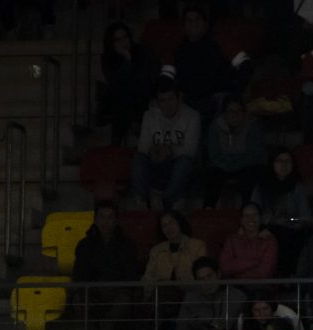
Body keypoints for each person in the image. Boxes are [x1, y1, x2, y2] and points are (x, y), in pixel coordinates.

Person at [69, 201, 143, 330]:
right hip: (93, 291)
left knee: (125, 300)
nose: (106, 221)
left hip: (118, 292)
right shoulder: (84, 245)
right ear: (95, 220)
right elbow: (79, 273)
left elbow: (132, 274)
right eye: (102, 217)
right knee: (78, 301)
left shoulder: (127, 245)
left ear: (115, 221)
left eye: (110, 217)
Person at [133, 76, 201, 211]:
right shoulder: (149, 115)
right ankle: (142, 203)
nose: (167, 104)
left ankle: (166, 199)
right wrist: (154, 151)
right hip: (156, 161)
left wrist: (169, 150)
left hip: (178, 165)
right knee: (138, 160)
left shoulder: (192, 116)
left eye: (170, 99)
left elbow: (190, 149)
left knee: (185, 163)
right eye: (162, 101)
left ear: (178, 98)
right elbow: (143, 146)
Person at [250, 147, 313, 277]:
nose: (284, 165)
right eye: (280, 161)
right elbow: (253, 213)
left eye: (288, 161)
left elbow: (305, 218)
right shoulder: (262, 187)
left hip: (291, 230)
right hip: (267, 228)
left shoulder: (298, 188)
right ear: (273, 163)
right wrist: (272, 221)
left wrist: (289, 221)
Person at [142, 210, 208, 330]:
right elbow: (148, 278)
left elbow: (202, 276)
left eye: (171, 223)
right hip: (160, 297)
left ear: (180, 223)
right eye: (164, 225)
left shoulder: (197, 246)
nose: (168, 228)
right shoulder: (156, 251)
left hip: (188, 294)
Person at [99, 21, 159, 144]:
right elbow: (114, 82)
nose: (123, 42)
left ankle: (118, 137)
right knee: (117, 93)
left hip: (145, 96)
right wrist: (127, 60)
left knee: (122, 95)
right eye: (117, 40)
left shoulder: (143, 52)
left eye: (125, 37)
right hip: (125, 100)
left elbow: (142, 81)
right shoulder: (107, 59)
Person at [202, 94, 267, 208]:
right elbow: (214, 155)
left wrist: (233, 164)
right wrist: (227, 164)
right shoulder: (215, 127)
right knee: (211, 175)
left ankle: (248, 211)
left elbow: (254, 155)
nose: (234, 115)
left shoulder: (252, 126)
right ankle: (208, 211)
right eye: (230, 111)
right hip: (223, 166)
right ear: (224, 113)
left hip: (246, 167)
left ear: (244, 112)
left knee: (252, 175)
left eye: (238, 111)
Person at [176, 257, 247, 330]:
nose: (206, 282)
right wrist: (195, 323)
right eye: (201, 279)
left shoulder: (237, 296)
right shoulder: (190, 298)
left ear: (218, 274)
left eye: (209, 276)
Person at [220, 202, 279, 281]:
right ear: (241, 220)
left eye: (254, 215)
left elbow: (264, 273)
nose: (251, 218)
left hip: (262, 289)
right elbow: (225, 268)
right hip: (234, 288)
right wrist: (253, 262)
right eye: (246, 215)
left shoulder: (269, 241)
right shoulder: (232, 240)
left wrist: (237, 273)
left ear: (260, 218)